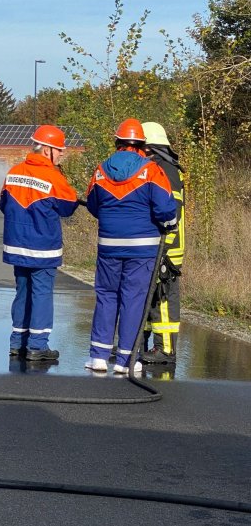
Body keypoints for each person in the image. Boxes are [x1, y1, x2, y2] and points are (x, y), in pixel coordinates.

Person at [84, 119, 177, 374]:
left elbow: (93, 205)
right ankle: (126, 361)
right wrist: (170, 224)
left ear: (118, 143)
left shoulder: (101, 170)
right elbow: (165, 209)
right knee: (133, 300)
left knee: (106, 296)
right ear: (142, 146)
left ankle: (99, 356)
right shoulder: (152, 171)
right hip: (142, 248)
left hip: (109, 246)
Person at [0, 125, 79, 362]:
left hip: (16, 245)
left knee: (22, 291)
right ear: (47, 150)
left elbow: (4, 205)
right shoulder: (53, 177)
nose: (62, 155)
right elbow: (68, 207)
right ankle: (37, 345)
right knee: (42, 293)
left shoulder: (13, 172)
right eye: (60, 151)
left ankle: (17, 342)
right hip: (43, 246)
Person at [140, 121, 185, 364]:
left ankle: (165, 350)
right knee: (152, 297)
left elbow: (171, 213)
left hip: (168, 247)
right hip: (161, 244)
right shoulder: (164, 168)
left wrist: (165, 249)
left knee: (164, 299)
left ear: (150, 148)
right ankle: (144, 343)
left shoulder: (166, 171)